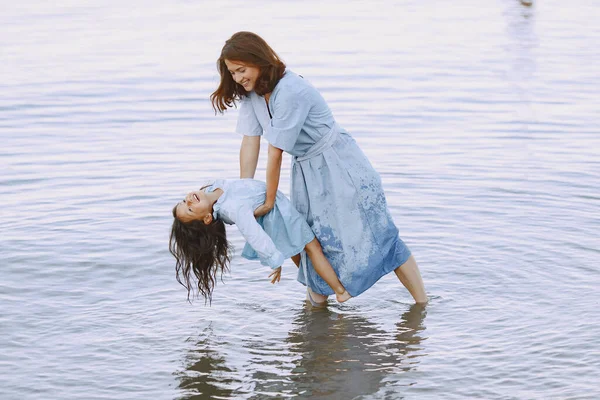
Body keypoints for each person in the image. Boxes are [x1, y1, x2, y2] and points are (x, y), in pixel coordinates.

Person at [210, 31, 428, 304]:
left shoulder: (290, 90)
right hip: (306, 170)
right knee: (312, 239)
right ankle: (318, 321)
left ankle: (422, 305)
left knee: (378, 233)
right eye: (232, 73)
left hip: (339, 164)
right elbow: (250, 142)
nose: (238, 78)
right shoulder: (252, 94)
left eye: (242, 70)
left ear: (260, 61)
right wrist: (245, 191)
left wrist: (268, 201)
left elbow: (275, 152)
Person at [169, 178, 351, 304]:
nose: (189, 202)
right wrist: (274, 260)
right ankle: (340, 291)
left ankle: (314, 286)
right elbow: (254, 234)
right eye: (190, 210)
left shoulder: (209, 191)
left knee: (298, 249)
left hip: (276, 209)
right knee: (312, 248)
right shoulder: (232, 209)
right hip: (278, 214)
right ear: (207, 219)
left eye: (184, 202)